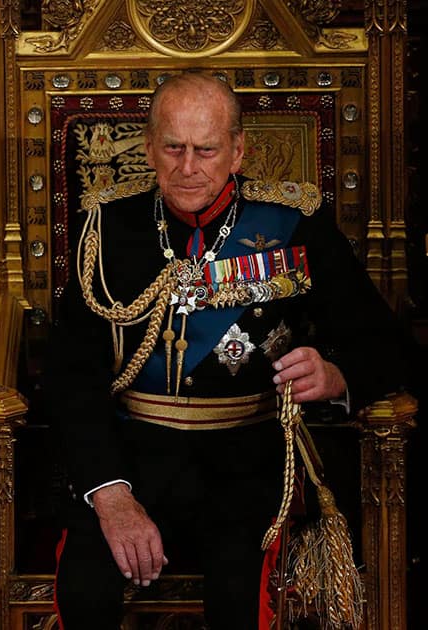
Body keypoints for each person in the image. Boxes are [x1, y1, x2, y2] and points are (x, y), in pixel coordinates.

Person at [46, 70, 407, 628]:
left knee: (242, 604)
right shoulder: (107, 230)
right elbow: (72, 377)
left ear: (238, 152)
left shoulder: (294, 226)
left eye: (206, 150)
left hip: (248, 464)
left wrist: (336, 375)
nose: (188, 168)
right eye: (173, 147)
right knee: (85, 590)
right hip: (133, 458)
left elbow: (388, 348)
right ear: (149, 148)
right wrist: (111, 495)